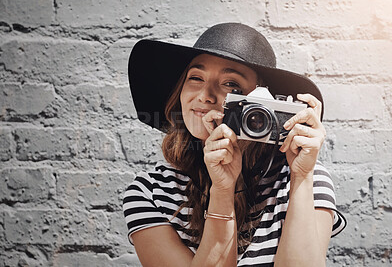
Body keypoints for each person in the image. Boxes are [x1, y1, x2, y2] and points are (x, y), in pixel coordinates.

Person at [123, 23, 346, 267]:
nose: (205, 95)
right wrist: (221, 190)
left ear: (262, 104)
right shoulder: (150, 192)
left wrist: (302, 178)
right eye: (196, 77)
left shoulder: (304, 178)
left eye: (231, 85)